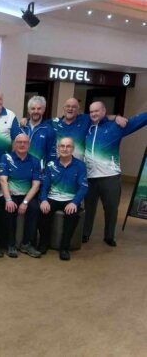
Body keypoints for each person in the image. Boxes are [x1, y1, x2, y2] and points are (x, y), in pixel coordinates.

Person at [82, 102, 147, 246]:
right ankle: (85, 234)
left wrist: (117, 118)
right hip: (90, 177)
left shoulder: (116, 126)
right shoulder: (87, 126)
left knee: (111, 208)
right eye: (91, 111)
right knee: (89, 208)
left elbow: (138, 121)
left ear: (104, 111)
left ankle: (109, 236)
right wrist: (114, 116)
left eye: (97, 111)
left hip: (110, 177)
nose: (93, 114)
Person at [39, 138, 88, 260]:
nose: (65, 149)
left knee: (72, 216)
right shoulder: (50, 165)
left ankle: (64, 248)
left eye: (68, 146)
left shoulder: (80, 166)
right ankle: (43, 243)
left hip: (70, 199)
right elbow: (44, 186)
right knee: (42, 211)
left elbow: (83, 187)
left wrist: (75, 203)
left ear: (73, 149)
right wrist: (44, 200)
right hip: (53, 198)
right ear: (58, 148)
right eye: (62, 146)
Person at [0, 134, 41, 258]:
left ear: (29, 145)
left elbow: (36, 184)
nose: (22, 145)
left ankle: (27, 244)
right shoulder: (6, 158)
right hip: (9, 194)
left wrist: (25, 202)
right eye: (19, 142)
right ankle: (10, 244)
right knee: (10, 208)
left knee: (34, 208)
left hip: (26, 195)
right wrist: (8, 199)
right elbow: (2, 180)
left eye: (25, 142)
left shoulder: (35, 161)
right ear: (14, 144)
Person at [50, 97, 127, 160]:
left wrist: (117, 117)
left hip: (79, 168)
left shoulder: (85, 119)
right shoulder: (54, 122)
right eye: (68, 106)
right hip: (59, 166)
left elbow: (103, 117)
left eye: (74, 107)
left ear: (78, 109)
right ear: (64, 108)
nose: (70, 109)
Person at [19, 96, 56, 170]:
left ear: (43, 110)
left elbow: (51, 155)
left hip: (39, 172)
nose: (36, 111)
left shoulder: (49, 130)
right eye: (33, 108)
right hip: (20, 170)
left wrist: (48, 173)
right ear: (29, 110)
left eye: (39, 109)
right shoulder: (21, 127)